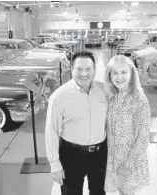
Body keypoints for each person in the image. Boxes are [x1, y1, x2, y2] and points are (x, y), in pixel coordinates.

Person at [45, 51, 108, 195]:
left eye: (88, 69)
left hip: (100, 153)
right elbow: (52, 131)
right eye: (79, 69)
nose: (84, 74)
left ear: (94, 70)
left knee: (99, 191)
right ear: (71, 69)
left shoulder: (104, 90)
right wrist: (54, 164)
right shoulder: (59, 96)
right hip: (71, 154)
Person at [104, 55, 151, 195]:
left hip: (130, 160)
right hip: (113, 157)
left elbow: (143, 138)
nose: (119, 77)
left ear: (131, 74)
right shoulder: (111, 97)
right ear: (109, 76)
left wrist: (128, 164)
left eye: (123, 72)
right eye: (115, 73)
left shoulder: (139, 100)